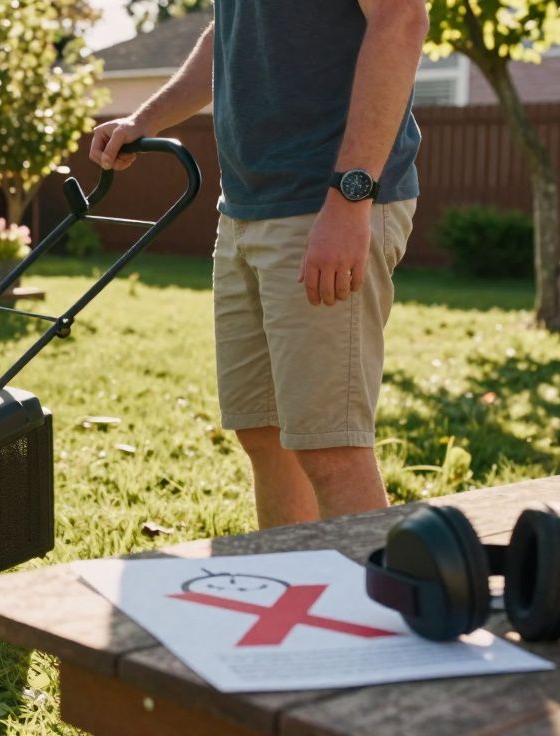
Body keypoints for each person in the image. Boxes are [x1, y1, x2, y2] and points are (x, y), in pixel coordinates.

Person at [91, 2, 428, 529]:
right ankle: (295, 596)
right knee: (265, 435)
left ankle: (376, 607)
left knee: (328, 446)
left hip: (326, 202)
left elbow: (402, 19)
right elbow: (232, 33)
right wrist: (146, 119)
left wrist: (349, 198)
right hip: (247, 208)